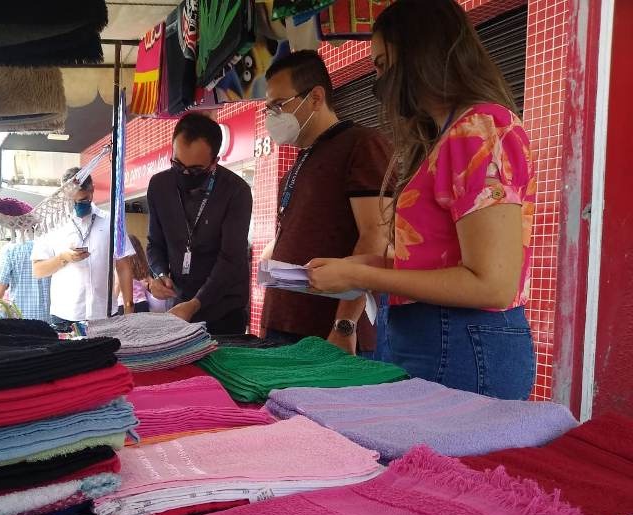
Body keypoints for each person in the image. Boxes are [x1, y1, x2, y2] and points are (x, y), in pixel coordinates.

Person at [307, 0, 536, 400]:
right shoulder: (446, 135)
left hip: (463, 344)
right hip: (427, 335)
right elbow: (443, 261)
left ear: (418, 54)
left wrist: (363, 277)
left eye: (381, 65)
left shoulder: (480, 129)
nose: (376, 82)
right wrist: (370, 264)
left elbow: (492, 284)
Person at [259, 50, 393, 356]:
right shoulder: (301, 158)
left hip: (328, 331)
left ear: (316, 98)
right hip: (284, 321)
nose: (272, 117)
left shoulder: (362, 144)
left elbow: (375, 235)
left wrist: (345, 324)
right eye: (268, 109)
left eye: (279, 105)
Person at [147, 113, 253, 335]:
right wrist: (159, 275)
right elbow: (155, 243)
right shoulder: (159, 186)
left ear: (215, 162)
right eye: (177, 165)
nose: (185, 174)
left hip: (223, 310)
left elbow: (231, 260)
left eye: (195, 170)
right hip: (178, 306)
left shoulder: (236, 191)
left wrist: (196, 304)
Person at [31, 168, 135, 328]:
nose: (79, 205)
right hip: (65, 316)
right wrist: (63, 258)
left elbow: (123, 265)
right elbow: (38, 270)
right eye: (73, 201)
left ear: (92, 190)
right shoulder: (51, 224)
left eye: (84, 200)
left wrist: (129, 308)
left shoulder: (111, 221)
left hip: (104, 314)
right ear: (64, 196)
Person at [0, 240, 52, 322]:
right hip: (51, 319)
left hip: (20, 319)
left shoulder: (11, 248)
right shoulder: (52, 246)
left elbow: (0, 285)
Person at [117, 235, 150, 314]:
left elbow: (117, 285)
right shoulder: (143, 265)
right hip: (142, 303)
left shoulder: (121, 265)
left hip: (124, 303)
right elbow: (147, 283)